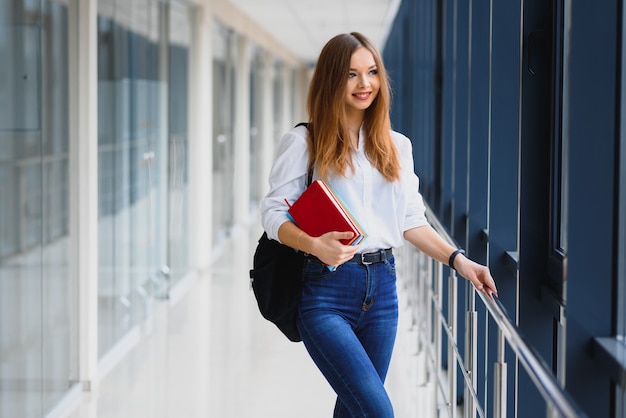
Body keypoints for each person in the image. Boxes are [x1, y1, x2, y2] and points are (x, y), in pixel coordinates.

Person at [260, 32, 498, 418]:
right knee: (377, 411)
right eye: (351, 74)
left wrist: (460, 261)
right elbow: (273, 214)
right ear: (332, 80)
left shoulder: (396, 146)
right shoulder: (305, 141)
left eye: (371, 72)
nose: (365, 83)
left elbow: (411, 222)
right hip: (325, 290)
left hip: (383, 291)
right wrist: (314, 244)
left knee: (354, 410)